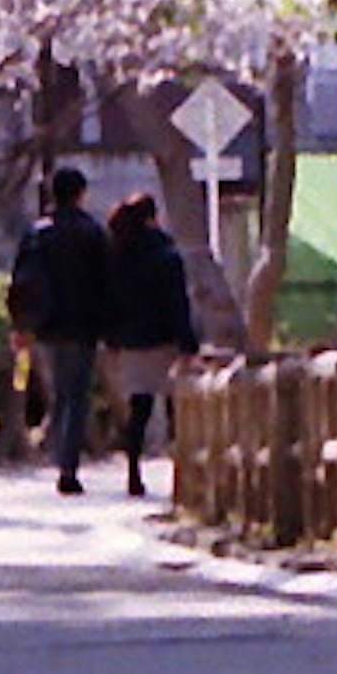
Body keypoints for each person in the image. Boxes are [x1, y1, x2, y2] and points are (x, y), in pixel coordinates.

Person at [4, 163, 117, 493]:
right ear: (81, 194)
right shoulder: (92, 233)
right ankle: (68, 465)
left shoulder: (37, 234)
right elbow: (106, 282)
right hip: (83, 325)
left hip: (45, 326)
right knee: (77, 395)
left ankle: (57, 452)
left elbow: (19, 283)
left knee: (59, 393)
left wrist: (21, 325)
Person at [101, 185, 200, 496]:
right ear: (153, 218)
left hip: (131, 341)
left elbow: (108, 300)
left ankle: (133, 471)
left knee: (139, 407)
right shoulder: (166, 255)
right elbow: (177, 302)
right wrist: (188, 343)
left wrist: (112, 338)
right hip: (164, 339)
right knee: (174, 408)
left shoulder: (117, 255)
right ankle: (180, 474)